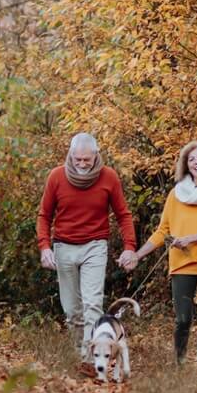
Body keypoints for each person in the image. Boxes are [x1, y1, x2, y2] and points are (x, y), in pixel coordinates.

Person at [124, 141, 197, 384]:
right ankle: (180, 366)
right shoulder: (176, 195)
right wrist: (137, 255)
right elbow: (162, 231)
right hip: (182, 265)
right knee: (183, 319)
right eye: (192, 159)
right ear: (186, 165)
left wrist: (191, 238)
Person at [37, 133, 137, 374]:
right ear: (71, 155)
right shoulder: (57, 177)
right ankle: (80, 351)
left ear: (96, 155)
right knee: (72, 311)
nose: (82, 164)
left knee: (92, 303)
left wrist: (129, 247)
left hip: (95, 246)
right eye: (78, 159)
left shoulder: (109, 177)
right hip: (64, 246)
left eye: (87, 160)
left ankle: (91, 361)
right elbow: (44, 216)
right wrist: (44, 247)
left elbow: (123, 215)